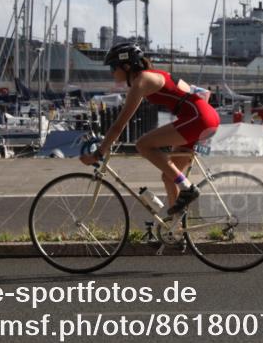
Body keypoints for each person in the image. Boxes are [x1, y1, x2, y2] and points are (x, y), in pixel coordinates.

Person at [80, 42, 220, 215]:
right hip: (204, 117)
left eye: (113, 67)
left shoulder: (141, 81)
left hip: (199, 119)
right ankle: (175, 234)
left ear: (126, 66)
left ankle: (188, 188)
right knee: (169, 177)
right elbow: (195, 92)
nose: (111, 72)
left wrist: (98, 153)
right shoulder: (152, 75)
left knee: (143, 144)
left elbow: (119, 125)